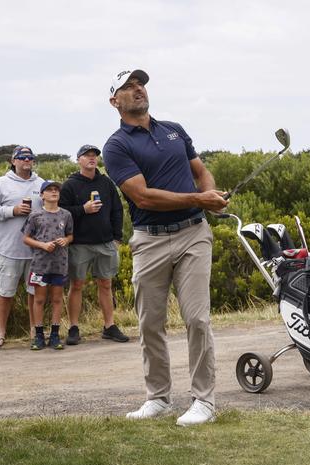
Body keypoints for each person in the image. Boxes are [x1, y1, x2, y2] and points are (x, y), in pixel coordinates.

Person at [103, 69, 229, 426]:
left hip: (193, 234)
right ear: (115, 102)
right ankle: (158, 398)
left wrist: (211, 195)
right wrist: (198, 198)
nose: (138, 89)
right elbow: (143, 197)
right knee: (150, 323)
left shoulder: (174, 130)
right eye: (128, 87)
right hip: (150, 241)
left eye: (140, 83)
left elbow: (200, 170)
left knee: (197, 319)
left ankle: (204, 400)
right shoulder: (116, 146)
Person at [58, 144, 127, 345]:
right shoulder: (70, 185)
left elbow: (117, 210)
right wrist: (83, 209)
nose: (91, 158)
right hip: (79, 244)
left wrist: (117, 237)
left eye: (94, 156)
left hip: (106, 243)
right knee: (77, 284)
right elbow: (61, 212)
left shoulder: (106, 183)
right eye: (87, 155)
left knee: (106, 284)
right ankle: (73, 327)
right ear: (78, 160)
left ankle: (109, 326)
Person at [0, 146, 44, 347]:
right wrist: (13, 210)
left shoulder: (41, 183)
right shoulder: (1, 183)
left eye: (30, 158)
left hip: (35, 249)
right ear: (13, 160)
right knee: (6, 292)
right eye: (22, 157)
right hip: (10, 249)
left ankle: (35, 330)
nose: (27, 160)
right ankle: (1, 331)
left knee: (34, 292)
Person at [22, 180, 74, 350]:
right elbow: (26, 238)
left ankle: (54, 334)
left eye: (56, 190)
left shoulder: (66, 215)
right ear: (42, 195)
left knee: (57, 299)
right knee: (39, 299)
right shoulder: (35, 215)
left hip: (59, 264)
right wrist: (43, 245)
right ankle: (38, 335)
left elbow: (70, 235)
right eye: (49, 190)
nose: (54, 192)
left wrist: (65, 240)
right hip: (40, 265)